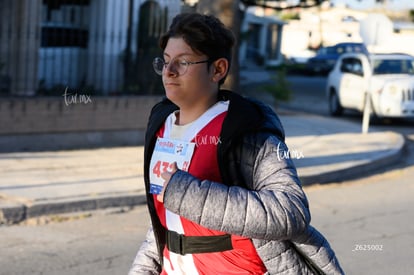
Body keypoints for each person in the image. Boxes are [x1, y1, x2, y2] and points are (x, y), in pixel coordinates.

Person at [129, 12, 344, 275]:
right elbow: (163, 221)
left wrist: (187, 194)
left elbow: (291, 211)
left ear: (218, 69)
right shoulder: (161, 125)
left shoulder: (247, 128)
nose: (169, 71)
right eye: (164, 62)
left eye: (183, 62)